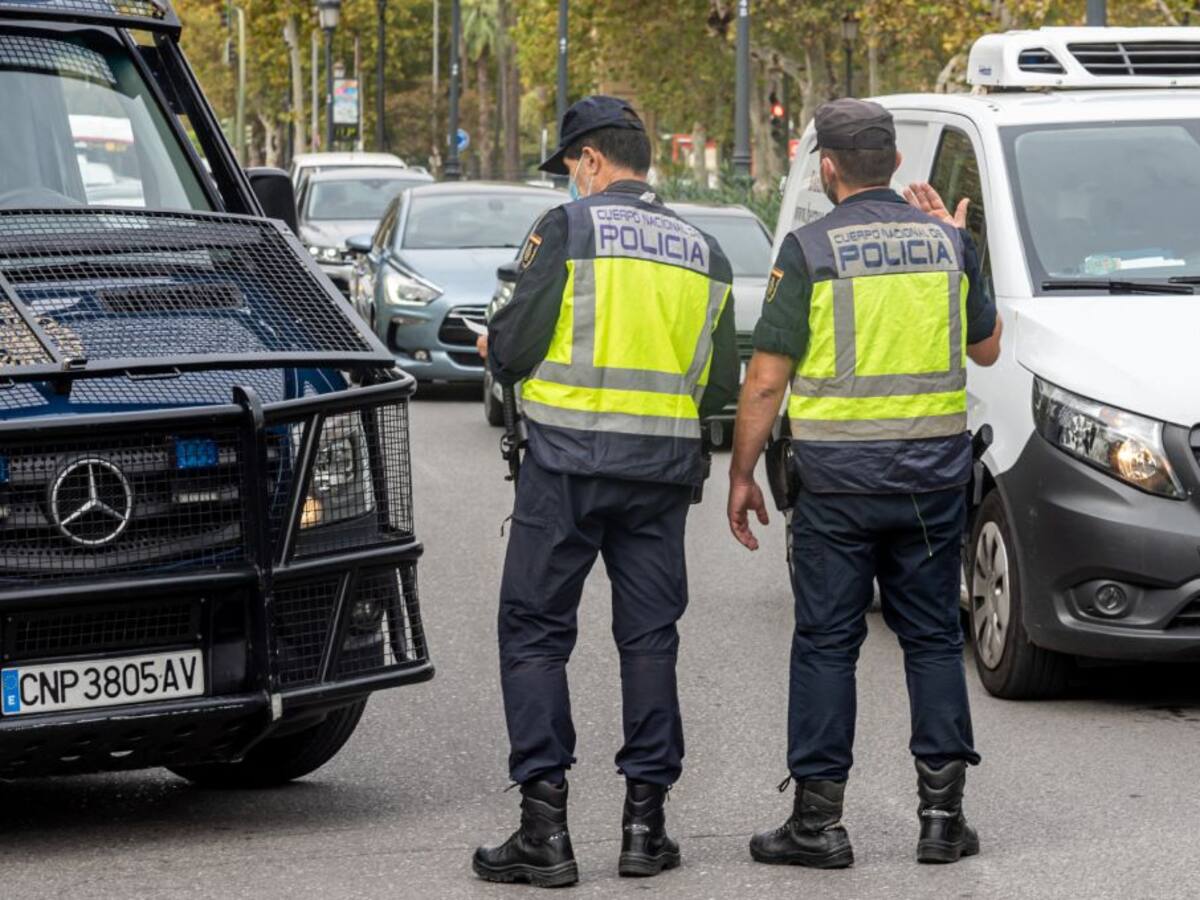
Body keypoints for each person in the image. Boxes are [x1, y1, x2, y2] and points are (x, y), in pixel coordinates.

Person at [726, 98, 1002, 869]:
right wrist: (955, 236)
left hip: (839, 488)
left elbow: (765, 381)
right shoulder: (947, 243)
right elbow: (985, 349)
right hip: (931, 482)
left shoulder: (809, 249)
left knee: (824, 644)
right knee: (934, 642)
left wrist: (742, 472)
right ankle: (943, 821)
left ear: (828, 168)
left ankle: (818, 825)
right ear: (896, 166)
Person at [472, 95, 740, 888]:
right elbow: (718, 380)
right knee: (649, 639)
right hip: (659, 475)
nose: (569, 183)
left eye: (569, 169)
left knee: (534, 633)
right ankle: (644, 829)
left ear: (590, 159)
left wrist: (499, 349)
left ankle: (544, 833)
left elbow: (514, 348)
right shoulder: (705, 250)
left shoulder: (568, 230)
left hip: (564, 468)